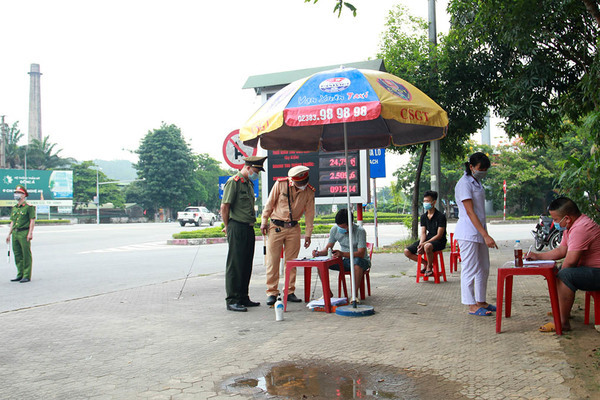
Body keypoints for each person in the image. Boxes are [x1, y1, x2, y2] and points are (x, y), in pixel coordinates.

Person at [527, 197, 600, 332]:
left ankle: (562, 322)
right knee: (559, 271)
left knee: (565, 274)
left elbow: (571, 261)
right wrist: (537, 257)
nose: (554, 223)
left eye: (555, 219)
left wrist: (557, 275)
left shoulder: (581, 228)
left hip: (597, 272)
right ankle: (560, 310)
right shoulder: (571, 226)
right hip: (591, 270)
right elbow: (562, 250)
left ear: (567, 218)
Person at [261, 165, 316, 306]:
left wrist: (308, 234)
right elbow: (269, 203)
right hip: (276, 227)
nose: (302, 186)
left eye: (304, 183)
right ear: (294, 181)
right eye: (300, 184)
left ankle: (289, 291)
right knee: (272, 261)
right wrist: (263, 221)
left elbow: (310, 214)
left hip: (294, 228)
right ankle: (272, 292)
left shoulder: (309, 191)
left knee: (291, 262)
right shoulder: (281, 184)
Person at [220, 156, 267, 312]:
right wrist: (228, 227)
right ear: (247, 167)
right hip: (236, 227)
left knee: (246, 263)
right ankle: (232, 299)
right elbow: (225, 207)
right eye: (256, 171)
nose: (257, 174)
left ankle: (243, 297)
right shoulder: (234, 182)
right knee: (235, 264)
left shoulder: (248, 184)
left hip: (248, 228)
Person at [454, 152, 498, 316]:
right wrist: (486, 235)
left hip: (479, 231)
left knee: (483, 267)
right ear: (471, 167)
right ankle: (471, 304)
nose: (483, 171)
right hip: (468, 233)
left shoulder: (476, 182)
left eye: (486, 169)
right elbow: (470, 212)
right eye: (481, 168)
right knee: (470, 268)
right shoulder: (464, 183)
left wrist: (484, 234)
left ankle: (481, 301)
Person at [312, 209, 370, 298]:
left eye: (343, 227)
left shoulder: (360, 231)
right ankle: (328, 293)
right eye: (339, 227)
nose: (340, 229)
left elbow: (361, 253)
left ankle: (354, 295)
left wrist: (342, 253)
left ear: (350, 224)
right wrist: (318, 253)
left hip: (361, 261)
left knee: (357, 263)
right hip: (344, 260)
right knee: (321, 265)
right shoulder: (335, 230)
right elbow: (328, 249)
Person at [403, 190, 447, 277]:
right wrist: (420, 244)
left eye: (427, 201)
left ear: (434, 202)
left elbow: (439, 235)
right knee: (407, 251)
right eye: (424, 201)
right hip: (427, 239)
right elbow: (423, 233)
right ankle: (426, 263)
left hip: (439, 241)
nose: (425, 203)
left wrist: (425, 244)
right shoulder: (423, 217)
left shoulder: (441, 216)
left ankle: (430, 267)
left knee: (427, 246)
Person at [5, 185, 36, 283]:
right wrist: (9, 234)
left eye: (18, 193)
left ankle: (26, 275)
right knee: (17, 254)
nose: (16, 194)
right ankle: (20, 274)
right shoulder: (15, 208)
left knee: (25, 254)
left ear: (24, 195)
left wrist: (30, 233)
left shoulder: (28, 207)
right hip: (15, 232)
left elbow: (32, 220)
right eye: (15, 193)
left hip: (24, 232)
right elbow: (13, 222)